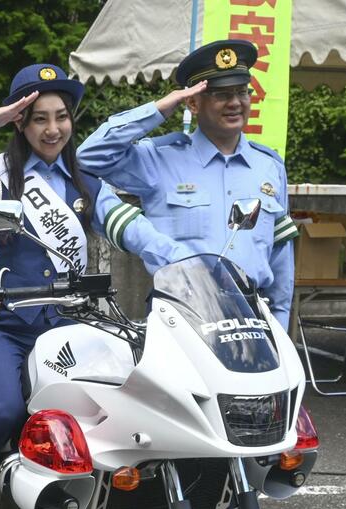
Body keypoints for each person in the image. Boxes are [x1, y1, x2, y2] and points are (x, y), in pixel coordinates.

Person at [0, 63, 191, 509]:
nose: (53, 129)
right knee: (5, 408)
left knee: (100, 406)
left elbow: (130, 229)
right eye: (39, 118)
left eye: (62, 116)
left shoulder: (83, 180)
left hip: (64, 324)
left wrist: (184, 265)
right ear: (21, 122)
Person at [77, 40, 299, 330]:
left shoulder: (268, 165)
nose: (235, 102)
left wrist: (280, 326)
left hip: (253, 320)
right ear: (193, 103)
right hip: (182, 316)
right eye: (221, 94)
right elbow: (87, 157)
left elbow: (280, 255)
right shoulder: (160, 160)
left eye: (242, 92)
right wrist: (161, 108)